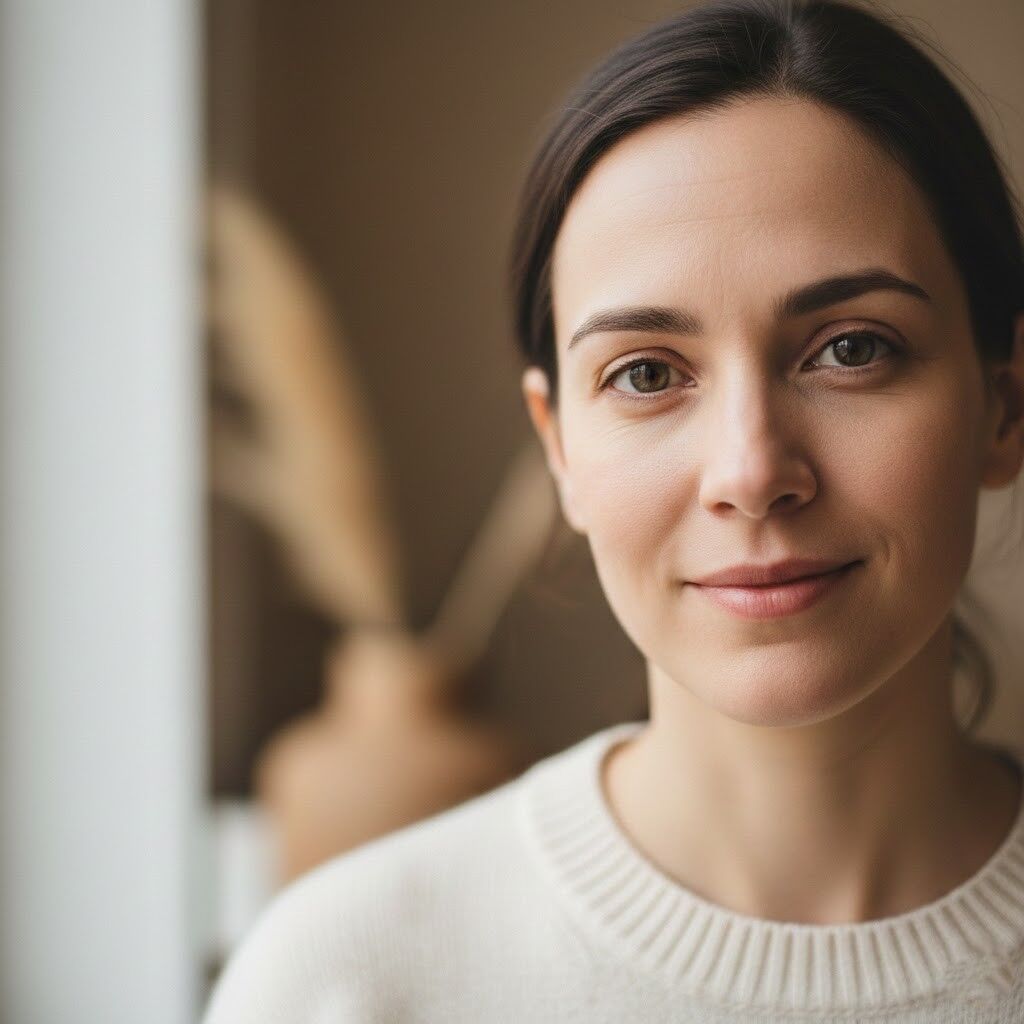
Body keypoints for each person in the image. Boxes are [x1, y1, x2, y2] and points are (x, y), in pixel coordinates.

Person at [201, 0, 1024, 1020]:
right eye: (646, 373)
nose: (750, 471)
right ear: (559, 450)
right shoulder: (347, 980)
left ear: (1002, 405)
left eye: (852, 349)